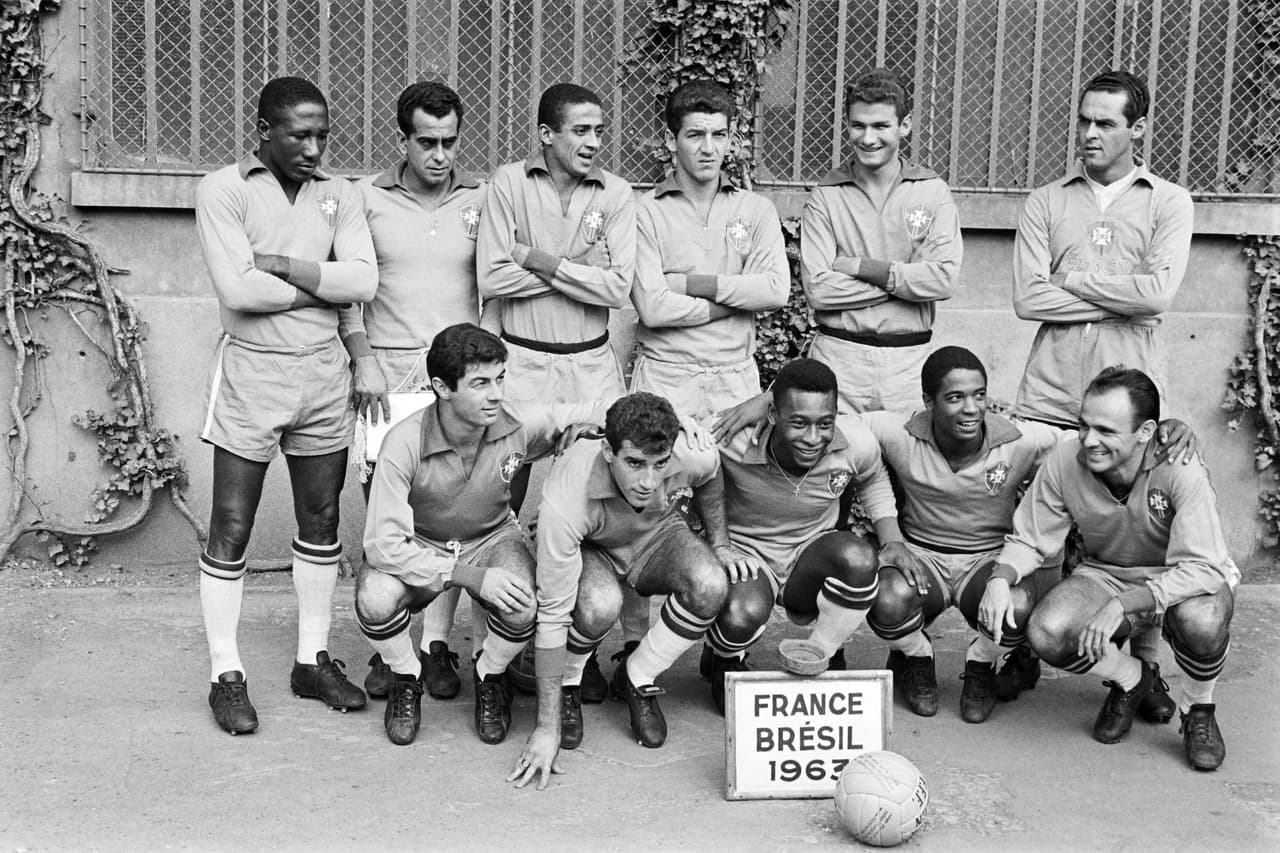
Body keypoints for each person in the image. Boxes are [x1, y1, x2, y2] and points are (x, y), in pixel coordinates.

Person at [194, 76, 378, 734]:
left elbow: (365, 280)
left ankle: (311, 660)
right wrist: (324, 287)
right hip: (253, 370)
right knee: (232, 522)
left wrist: (285, 268)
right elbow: (238, 290)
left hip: (324, 372)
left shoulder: (339, 193)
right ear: (264, 132)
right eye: (299, 135)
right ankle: (225, 673)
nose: (313, 148)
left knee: (322, 516)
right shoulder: (223, 188)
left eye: (322, 135)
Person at [1011, 69, 1195, 723]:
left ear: (1137, 128)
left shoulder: (1169, 202)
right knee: (1040, 527)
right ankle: (1023, 648)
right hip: (1051, 392)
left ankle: (1143, 669)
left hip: (1129, 405)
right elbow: (1027, 297)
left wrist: (1070, 280)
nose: (1089, 133)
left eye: (1106, 122)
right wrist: (1123, 292)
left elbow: (1159, 295)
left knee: (1137, 537)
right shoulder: (1046, 201)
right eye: (1084, 120)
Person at [356, 324, 602, 746]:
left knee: (523, 602)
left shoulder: (517, 422)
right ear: (442, 388)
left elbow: (600, 408)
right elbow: (382, 544)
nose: (496, 394)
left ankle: (490, 675)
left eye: (500, 378)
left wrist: (588, 427)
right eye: (481, 383)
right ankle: (406, 675)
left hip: (491, 537)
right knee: (374, 597)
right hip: (423, 542)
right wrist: (468, 576)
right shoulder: (403, 442)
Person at [981, 367, 1237, 771]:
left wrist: (1123, 605)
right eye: (1084, 425)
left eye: (1105, 430)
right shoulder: (1067, 460)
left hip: (1179, 579)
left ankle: (1198, 710)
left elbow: (1204, 566)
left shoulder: (1180, 465)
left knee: (1202, 621)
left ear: (1146, 431)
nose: (1088, 440)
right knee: (1048, 631)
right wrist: (1001, 578)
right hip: (1108, 573)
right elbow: (1031, 537)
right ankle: (1133, 678)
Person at [340, 81, 498, 706]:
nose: (440, 155)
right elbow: (349, 291)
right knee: (390, 519)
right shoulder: (366, 197)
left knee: (451, 513)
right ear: (402, 139)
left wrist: (485, 370)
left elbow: (494, 289)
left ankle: (435, 646)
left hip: (456, 385)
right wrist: (363, 358)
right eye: (427, 142)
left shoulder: (481, 198)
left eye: (450, 142)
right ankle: (391, 652)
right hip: (389, 381)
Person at [508, 394, 726, 790]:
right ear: (608, 451)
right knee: (599, 604)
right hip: (594, 546)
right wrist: (546, 727)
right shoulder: (566, 497)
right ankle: (570, 682)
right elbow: (553, 616)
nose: (649, 481)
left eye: (660, 464)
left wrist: (721, 543)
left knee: (711, 584)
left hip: (655, 535)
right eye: (635, 463)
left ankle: (637, 675)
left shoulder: (689, 453)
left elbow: (710, 474)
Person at [702, 359, 900, 713]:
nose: (812, 438)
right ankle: (724, 657)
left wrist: (893, 539)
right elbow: (684, 460)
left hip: (810, 553)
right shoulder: (730, 437)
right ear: (772, 414)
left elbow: (873, 477)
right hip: (748, 554)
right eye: (798, 423)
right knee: (740, 615)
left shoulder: (854, 442)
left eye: (825, 423)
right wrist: (713, 542)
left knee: (859, 559)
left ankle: (821, 652)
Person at [801, 68, 962, 416]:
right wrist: (905, 281)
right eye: (858, 126)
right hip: (839, 359)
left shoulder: (932, 191)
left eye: (880, 126)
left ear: (905, 125)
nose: (868, 138)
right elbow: (818, 290)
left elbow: (943, 280)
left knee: (910, 450)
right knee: (838, 451)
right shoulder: (826, 196)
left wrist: (860, 267)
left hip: (909, 365)